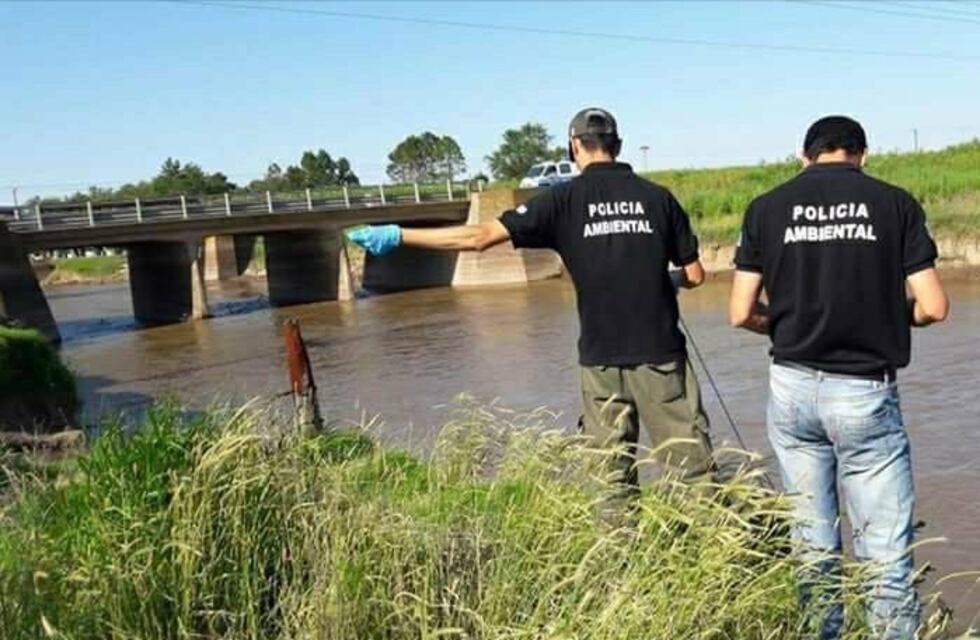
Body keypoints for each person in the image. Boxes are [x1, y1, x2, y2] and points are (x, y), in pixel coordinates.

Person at [350, 107, 716, 515]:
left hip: (600, 362)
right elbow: (696, 275)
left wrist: (400, 235)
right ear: (619, 146)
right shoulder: (658, 198)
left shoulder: (561, 201)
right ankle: (713, 563)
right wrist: (666, 282)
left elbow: (478, 238)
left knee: (610, 480)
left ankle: (620, 568)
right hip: (661, 356)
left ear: (574, 146)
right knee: (692, 471)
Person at [729, 115, 949, 639]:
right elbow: (935, 306)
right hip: (864, 393)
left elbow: (740, 313)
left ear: (803, 157)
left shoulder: (766, 207)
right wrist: (899, 315)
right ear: (863, 155)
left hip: (791, 388)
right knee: (886, 551)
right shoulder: (894, 203)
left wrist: (780, 327)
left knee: (812, 544)